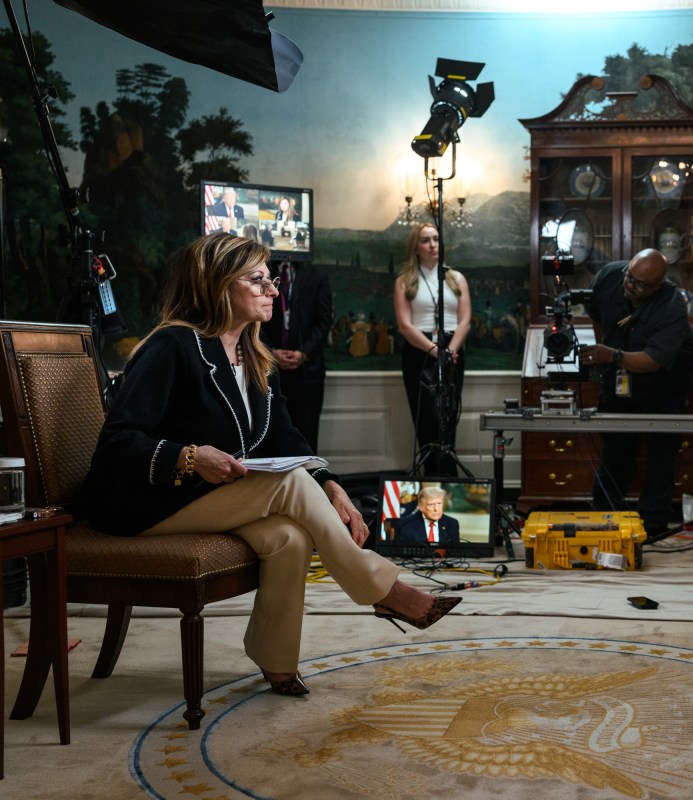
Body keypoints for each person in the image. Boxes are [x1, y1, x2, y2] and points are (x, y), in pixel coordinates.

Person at [81, 233, 460, 696]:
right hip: (145, 503)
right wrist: (191, 456)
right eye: (258, 279)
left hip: (208, 499)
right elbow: (117, 443)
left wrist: (333, 485)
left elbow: (285, 436)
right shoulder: (173, 346)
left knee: (289, 537)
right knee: (292, 485)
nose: (273, 290)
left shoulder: (254, 356)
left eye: (271, 280)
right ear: (219, 284)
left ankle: (276, 661)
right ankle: (385, 591)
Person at [580, 249, 693, 535]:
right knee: (616, 444)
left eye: (640, 284)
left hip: (667, 377)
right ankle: (605, 514)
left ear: (657, 285)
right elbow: (597, 315)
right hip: (620, 368)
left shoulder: (672, 306)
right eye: (630, 277)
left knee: (662, 449)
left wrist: (611, 355)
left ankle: (653, 523)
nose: (630, 285)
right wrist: (607, 351)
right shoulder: (611, 275)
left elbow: (651, 361)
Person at [393, 223, 472, 476]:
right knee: (427, 422)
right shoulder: (405, 281)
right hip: (420, 352)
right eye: (426, 240)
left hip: (453, 351)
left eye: (436, 239)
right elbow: (405, 326)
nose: (433, 245)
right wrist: (435, 350)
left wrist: (450, 350)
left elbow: (465, 320)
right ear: (416, 248)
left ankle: (450, 483)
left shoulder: (456, 278)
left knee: (448, 419)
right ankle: (433, 484)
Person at [260, 260, 333, 450]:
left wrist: (304, 353)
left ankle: (310, 478)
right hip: (269, 368)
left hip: (308, 371)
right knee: (271, 433)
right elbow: (254, 321)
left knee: (307, 433)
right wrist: (270, 352)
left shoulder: (316, 275)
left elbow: (324, 320)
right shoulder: (265, 271)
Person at [390, 487, 461, 545]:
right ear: (421, 506)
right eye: (431, 504)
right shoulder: (404, 525)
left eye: (439, 504)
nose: (436, 509)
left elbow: (455, 552)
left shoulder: (452, 523)